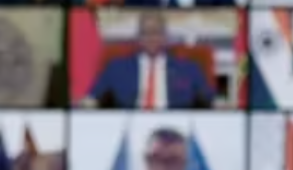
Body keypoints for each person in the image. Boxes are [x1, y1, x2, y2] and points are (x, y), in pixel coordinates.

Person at [82, 11, 216, 109]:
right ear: (138, 37)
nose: (151, 38)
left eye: (156, 32)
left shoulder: (188, 68)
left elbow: (210, 98)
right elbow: (92, 97)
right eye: (146, 33)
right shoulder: (117, 66)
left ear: (165, 37)